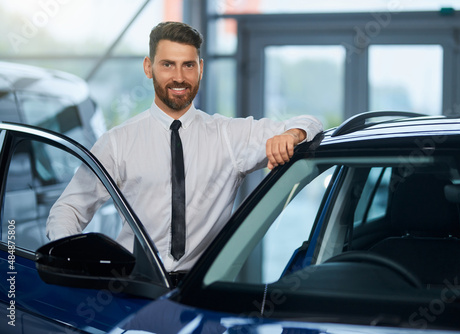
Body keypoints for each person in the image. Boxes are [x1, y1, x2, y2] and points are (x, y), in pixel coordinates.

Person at [46, 21, 322, 276]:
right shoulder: (117, 141)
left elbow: (310, 122)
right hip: (132, 285)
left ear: (200, 68)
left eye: (188, 65)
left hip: (201, 291)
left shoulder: (229, 135)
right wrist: (73, 263)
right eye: (168, 65)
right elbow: (68, 209)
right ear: (148, 67)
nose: (179, 77)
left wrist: (292, 134)